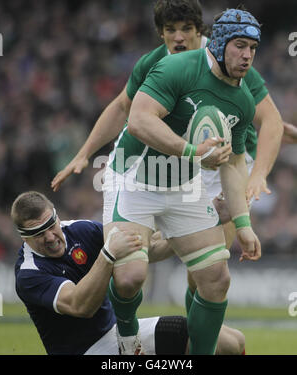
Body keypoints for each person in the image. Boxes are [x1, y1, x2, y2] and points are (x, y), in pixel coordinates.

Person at [100, 6, 265, 356]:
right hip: (136, 178)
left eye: (252, 48)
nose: (247, 55)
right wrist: (192, 152)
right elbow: (141, 120)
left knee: (216, 279)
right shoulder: (176, 67)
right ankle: (127, 340)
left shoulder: (243, 100)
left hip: (184, 187)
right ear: (219, 43)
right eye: (239, 46)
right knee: (130, 278)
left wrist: (243, 223)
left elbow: (234, 164)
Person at [12, 191, 245, 355]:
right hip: (84, 350)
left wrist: (203, 221)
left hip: (116, 335)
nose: (50, 237)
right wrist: (107, 255)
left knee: (232, 342)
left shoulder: (79, 230)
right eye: (38, 233)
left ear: (56, 215)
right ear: (24, 237)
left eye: (50, 225)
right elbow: (80, 306)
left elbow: (147, 249)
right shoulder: (28, 274)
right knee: (197, 341)